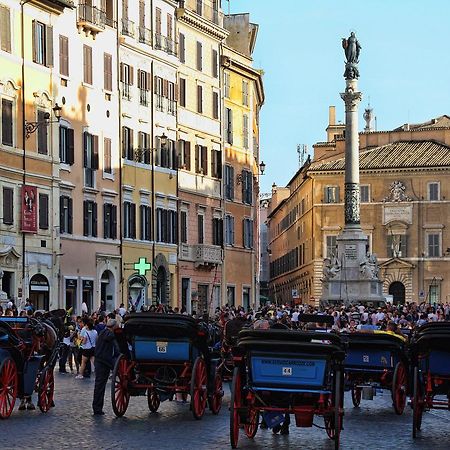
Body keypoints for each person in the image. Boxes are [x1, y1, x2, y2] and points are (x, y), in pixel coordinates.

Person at [92, 319, 119, 415]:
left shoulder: (104, 332)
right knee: (100, 385)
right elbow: (109, 338)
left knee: (100, 385)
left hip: (103, 361)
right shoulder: (107, 333)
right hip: (103, 362)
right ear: (114, 327)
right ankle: (97, 408)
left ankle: (98, 407)